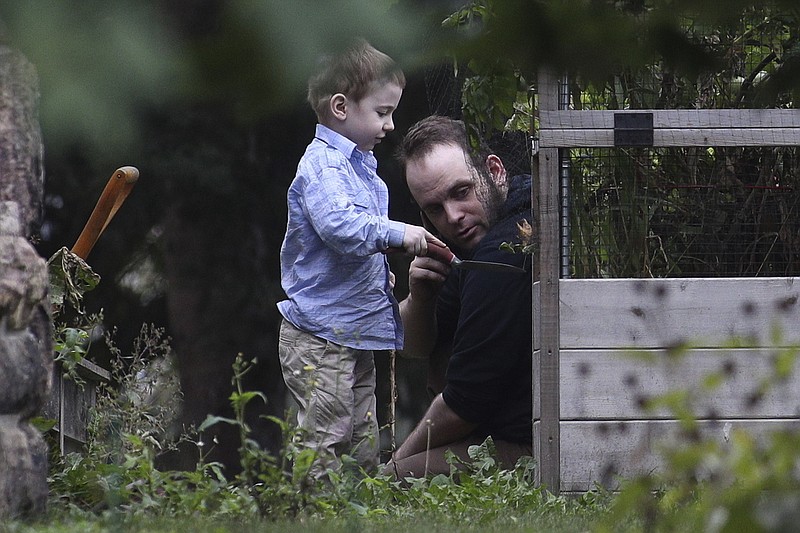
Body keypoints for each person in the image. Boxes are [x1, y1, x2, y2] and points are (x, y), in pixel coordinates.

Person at [277, 39, 442, 481]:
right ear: (340, 107)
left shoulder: (360, 167)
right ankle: (318, 514)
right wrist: (399, 234)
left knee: (361, 433)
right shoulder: (324, 167)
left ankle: (356, 509)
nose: (391, 124)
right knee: (325, 433)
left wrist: (379, 276)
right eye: (382, 112)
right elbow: (341, 227)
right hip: (320, 334)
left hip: (352, 330)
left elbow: (351, 248)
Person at [386, 115, 533, 480]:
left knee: (395, 481)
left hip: (535, 447)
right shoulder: (488, 225)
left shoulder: (502, 254)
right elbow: (412, 346)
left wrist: (388, 471)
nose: (453, 217)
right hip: (495, 430)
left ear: (494, 170)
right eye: (434, 209)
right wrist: (421, 299)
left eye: (460, 192)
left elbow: (462, 407)